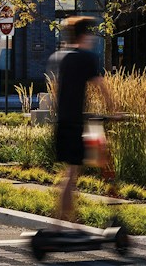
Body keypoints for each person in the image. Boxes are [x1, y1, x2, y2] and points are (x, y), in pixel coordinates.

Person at [46, 16, 115, 224]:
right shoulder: (86, 58)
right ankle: (60, 224)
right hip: (75, 123)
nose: (93, 38)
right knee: (73, 173)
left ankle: (66, 220)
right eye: (91, 34)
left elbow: (56, 91)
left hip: (62, 122)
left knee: (70, 172)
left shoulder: (61, 57)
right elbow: (102, 88)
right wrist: (114, 111)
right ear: (85, 35)